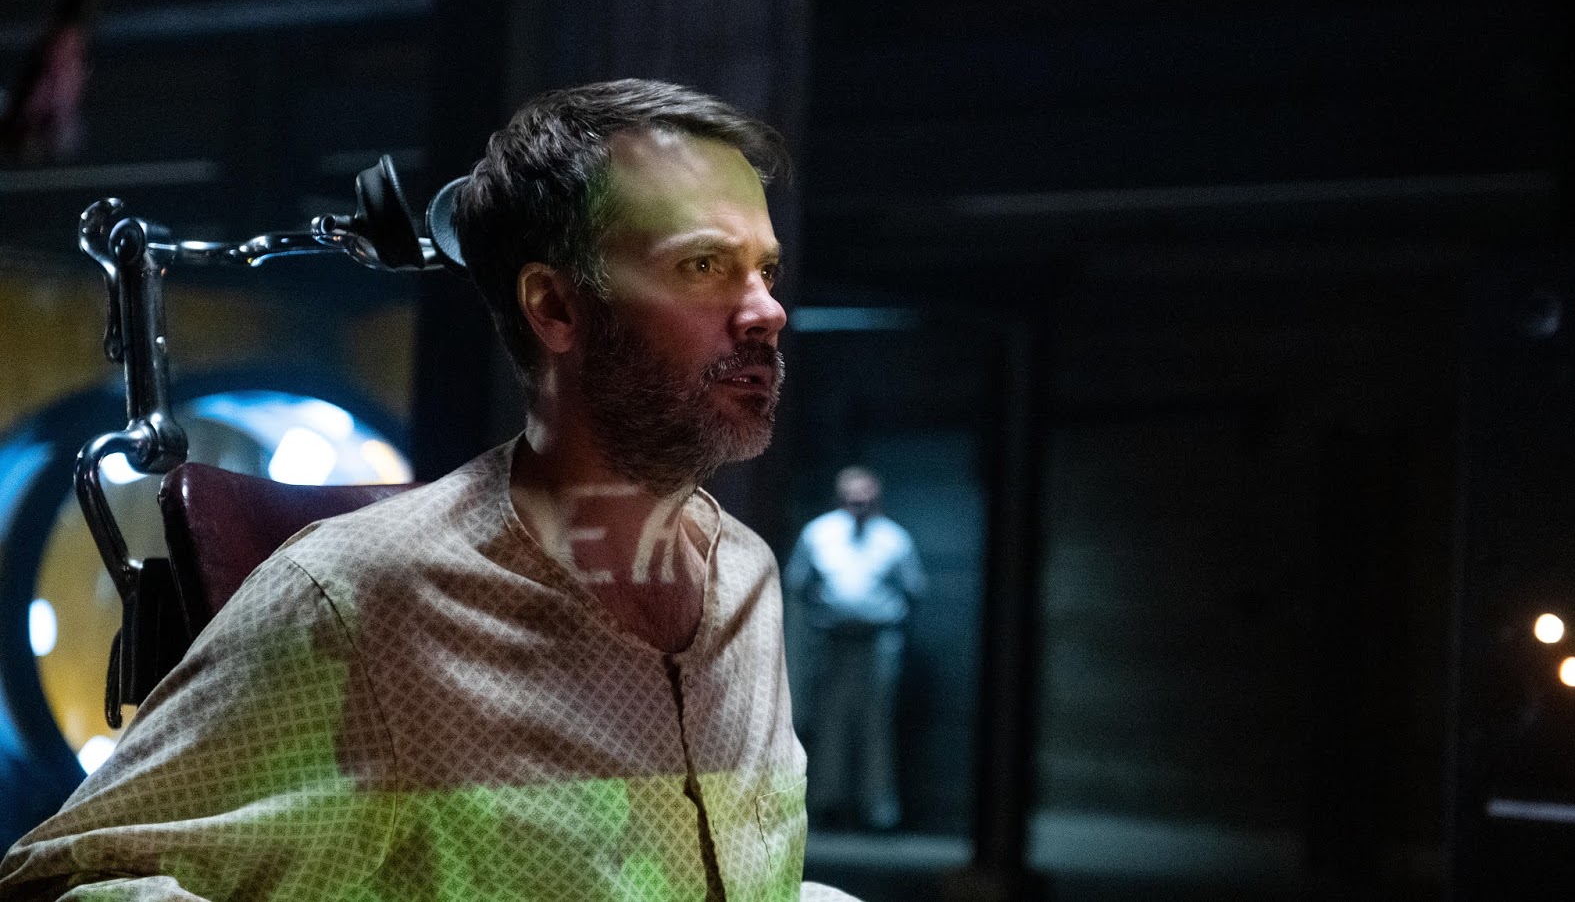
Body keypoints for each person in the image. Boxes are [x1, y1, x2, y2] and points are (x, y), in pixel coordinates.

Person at [0, 80, 856, 902]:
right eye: (704, 265)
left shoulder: (745, 576)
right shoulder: (360, 597)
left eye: (765, 271)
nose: (766, 311)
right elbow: (64, 880)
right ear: (556, 308)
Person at [785, 467, 925, 832]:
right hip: (832, 642)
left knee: (876, 723)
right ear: (839, 499)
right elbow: (797, 583)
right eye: (851, 499)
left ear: (876, 500)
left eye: (865, 499)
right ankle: (826, 803)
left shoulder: (894, 539)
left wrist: (889, 618)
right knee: (830, 720)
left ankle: (878, 809)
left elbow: (914, 589)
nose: (858, 505)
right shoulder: (818, 533)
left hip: (878, 643)